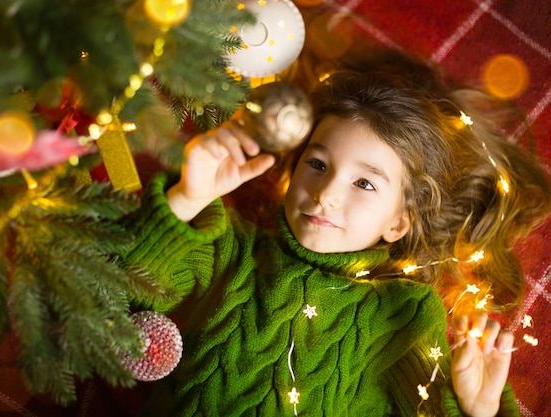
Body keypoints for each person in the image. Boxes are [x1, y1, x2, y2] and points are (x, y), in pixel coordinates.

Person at [119, 52, 550, 416]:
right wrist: (187, 198)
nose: (325, 195)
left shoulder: (404, 313)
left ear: (399, 222)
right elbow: (124, 284)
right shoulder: (230, 245)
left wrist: (479, 410)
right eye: (318, 165)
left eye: (365, 184)